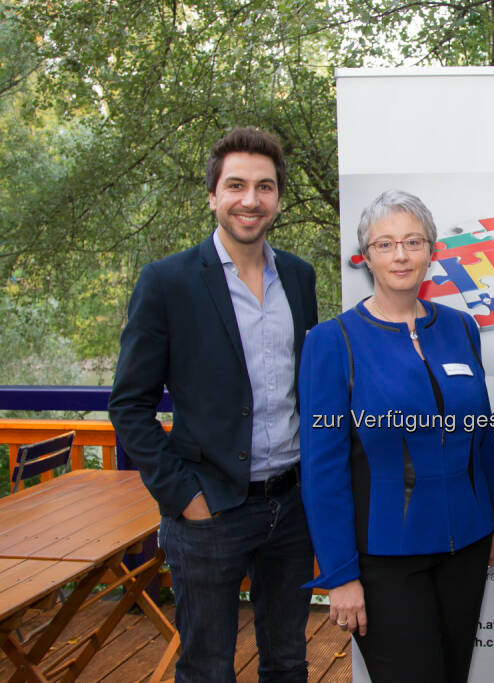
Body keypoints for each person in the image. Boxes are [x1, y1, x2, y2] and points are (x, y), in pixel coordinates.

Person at [109, 126, 318, 681]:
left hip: (292, 506)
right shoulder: (167, 282)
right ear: (213, 195)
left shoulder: (299, 276)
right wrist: (185, 496)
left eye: (265, 187)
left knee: (289, 661)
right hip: (209, 510)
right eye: (236, 185)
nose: (251, 199)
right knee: (206, 668)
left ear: (278, 198)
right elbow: (130, 405)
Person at [299, 190, 494, 683]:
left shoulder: (460, 328)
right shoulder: (334, 341)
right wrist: (340, 575)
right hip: (384, 561)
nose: (401, 255)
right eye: (385, 244)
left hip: (467, 549)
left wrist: (493, 521)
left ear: (432, 250)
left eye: (413, 241)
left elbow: (481, 439)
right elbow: (322, 472)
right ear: (365, 256)